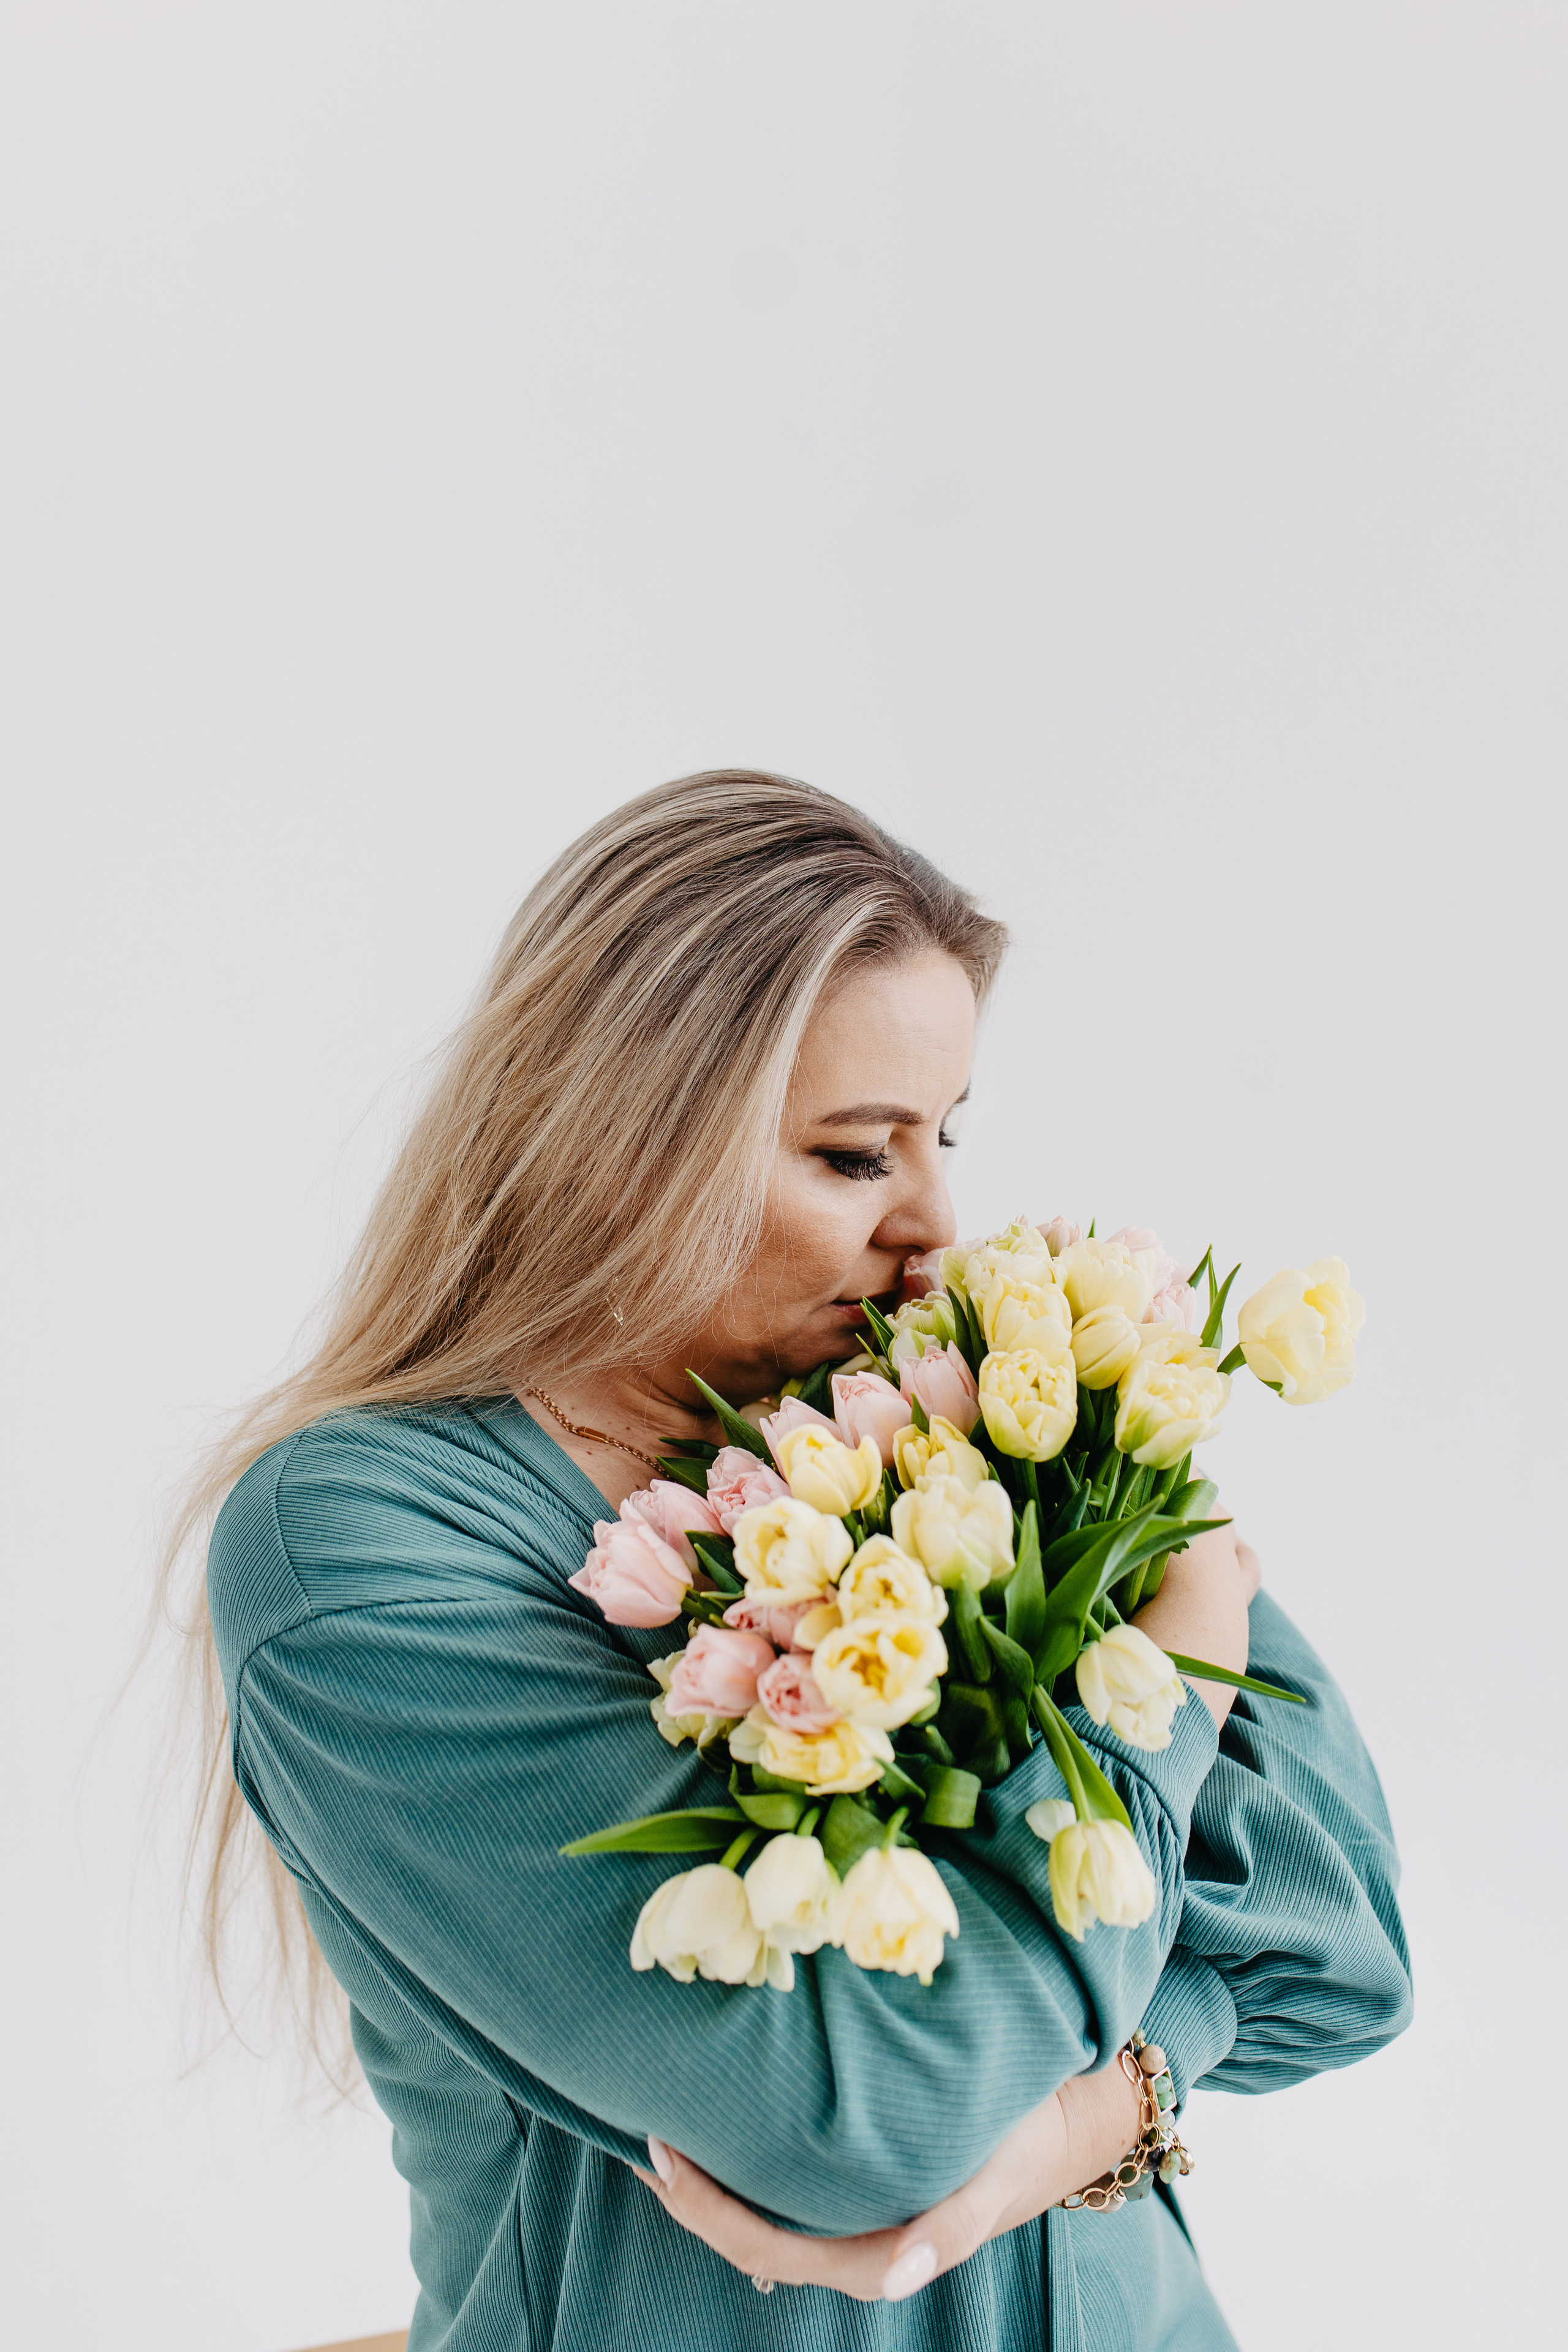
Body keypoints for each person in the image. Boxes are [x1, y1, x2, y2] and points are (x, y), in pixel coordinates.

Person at [194, 770, 1411, 2351]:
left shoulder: (979, 1419)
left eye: (945, 1135)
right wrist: (1166, 1681)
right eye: (855, 1157)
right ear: (621, 1146)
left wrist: (1074, 2125)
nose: (938, 1224)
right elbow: (855, 2125)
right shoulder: (364, 1545)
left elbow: (1339, 1944)